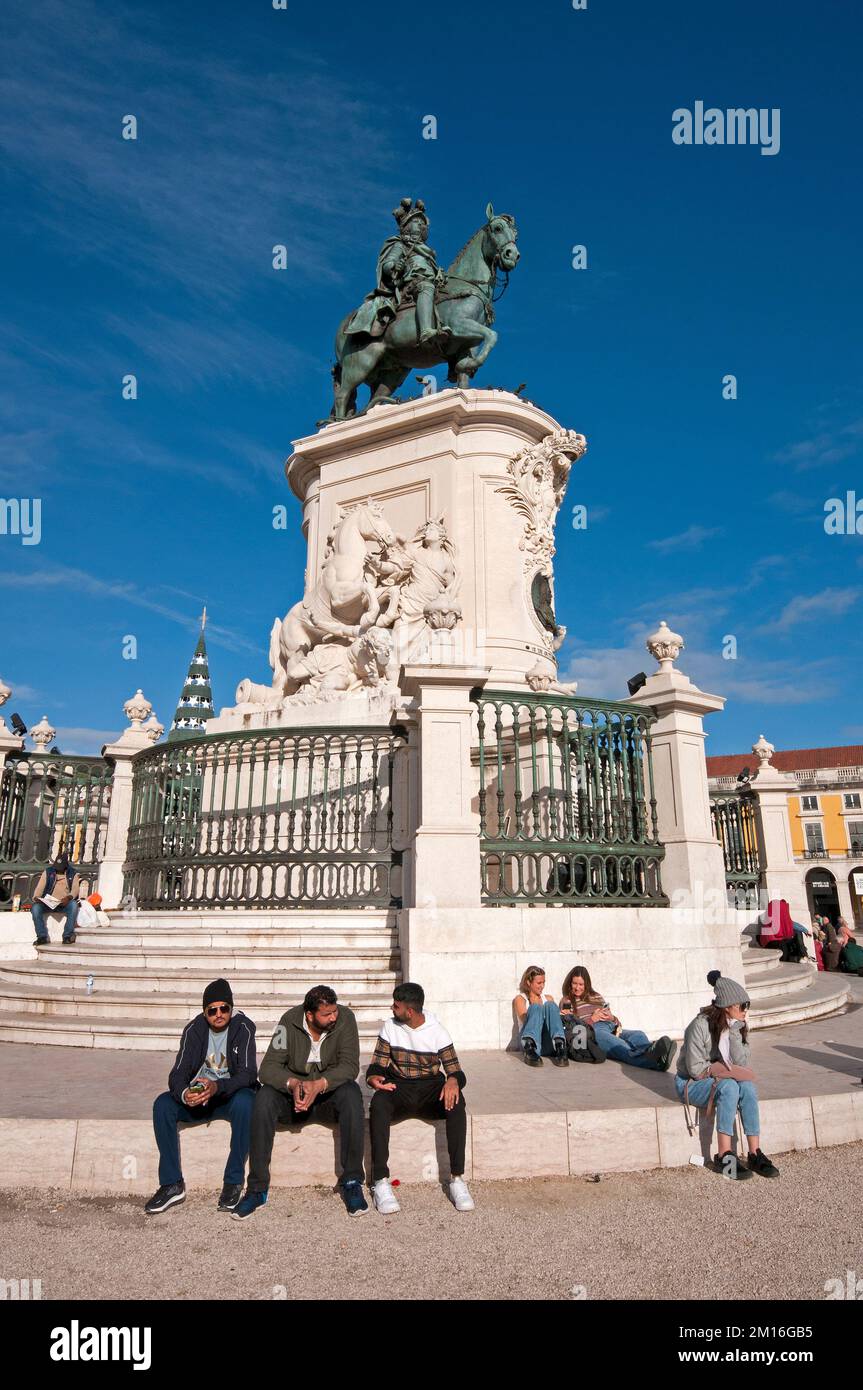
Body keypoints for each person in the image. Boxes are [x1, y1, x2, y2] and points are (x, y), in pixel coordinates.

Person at [233, 985, 368, 1220]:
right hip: (294, 1100)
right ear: (309, 1015)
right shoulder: (288, 1022)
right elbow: (268, 1069)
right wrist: (293, 1084)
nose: (333, 1017)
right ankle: (257, 1189)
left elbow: (350, 1066)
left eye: (334, 1011)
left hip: (328, 1097)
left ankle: (353, 1181)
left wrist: (320, 1085)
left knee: (351, 1093)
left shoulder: (346, 1020)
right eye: (327, 1015)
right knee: (263, 1097)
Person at [145, 979, 257, 1214]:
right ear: (205, 1012)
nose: (219, 1015)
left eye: (224, 1008)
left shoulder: (244, 1028)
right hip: (199, 1098)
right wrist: (186, 1094)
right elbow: (177, 1074)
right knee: (163, 1104)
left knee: (248, 1101)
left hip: (228, 1095)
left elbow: (247, 1074)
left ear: (231, 1008)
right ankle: (171, 1184)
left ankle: (234, 1181)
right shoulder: (194, 1030)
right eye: (212, 1010)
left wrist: (217, 1087)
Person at [366, 982, 474, 1214]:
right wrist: (374, 1078)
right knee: (378, 1103)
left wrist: (453, 1080)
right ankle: (380, 1182)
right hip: (399, 1087)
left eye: (396, 1006)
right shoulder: (389, 1027)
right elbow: (377, 1064)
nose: (392, 1009)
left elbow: (455, 1070)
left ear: (410, 1011)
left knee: (457, 1101)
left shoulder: (438, 1031)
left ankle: (457, 1179)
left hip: (429, 1089)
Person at [676, 970, 779, 1181]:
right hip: (690, 1083)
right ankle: (724, 1155)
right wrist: (723, 1072)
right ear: (728, 1006)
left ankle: (754, 1153)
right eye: (742, 1006)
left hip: (717, 1078)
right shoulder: (700, 1026)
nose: (745, 1011)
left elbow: (741, 1062)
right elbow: (695, 1070)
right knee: (730, 1086)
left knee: (748, 1088)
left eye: (746, 1006)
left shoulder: (736, 1026)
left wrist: (733, 1033)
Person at [560, 965, 677, 1071]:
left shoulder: (596, 996)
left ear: (587, 984)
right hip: (594, 1032)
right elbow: (572, 1028)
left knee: (638, 1034)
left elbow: (617, 1022)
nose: (577, 988)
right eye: (574, 983)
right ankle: (656, 1060)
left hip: (611, 1027)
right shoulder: (567, 1001)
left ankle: (654, 1056)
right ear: (570, 983)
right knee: (622, 1047)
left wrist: (611, 1017)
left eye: (581, 984)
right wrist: (592, 1019)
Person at [512, 965, 568, 1067]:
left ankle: (560, 1047)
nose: (542, 986)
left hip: (547, 1043)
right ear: (529, 983)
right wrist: (535, 1007)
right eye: (539, 983)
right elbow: (527, 1022)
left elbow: (554, 1024)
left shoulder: (548, 998)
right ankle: (530, 1050)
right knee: (536, 1008)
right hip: (531, 1043)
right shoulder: (520, 999)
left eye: (543, 982)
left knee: (551, 1005)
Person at [31, 851, 80, 945]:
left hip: (64, 903)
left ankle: (67, 936)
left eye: (60, 868)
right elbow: (39, 888)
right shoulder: (48, 872)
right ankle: (42, 936)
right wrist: (37, 898)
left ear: (66, 866)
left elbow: (75, 890)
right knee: (35, 908)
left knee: (74, 906)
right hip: (48, 902)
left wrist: (69, 897)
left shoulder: (73, 873)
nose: (58, 870)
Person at [757, 898, 807, 963]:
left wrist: (805, 930)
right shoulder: (773, 918)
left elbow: (791, 923)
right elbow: (790, 924)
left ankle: (804, 955)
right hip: (773, 941)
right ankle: (798, 958)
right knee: (784, 947)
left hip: (779, 939)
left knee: (797, 932)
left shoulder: (776, 917)